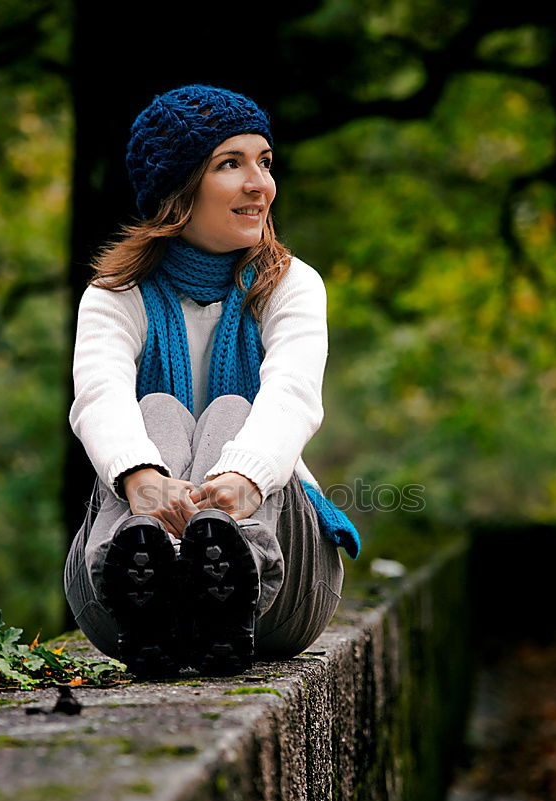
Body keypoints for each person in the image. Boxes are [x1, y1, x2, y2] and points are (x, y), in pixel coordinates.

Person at [63, 83, 360, 678]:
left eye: (265, 162)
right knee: (158, 413)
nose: (261, 184)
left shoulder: (292, 284)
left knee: (232, 409)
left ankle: (229, 578)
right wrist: (144, 482)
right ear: (181, 186)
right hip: (113, 609)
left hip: (280, 597)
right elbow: (99, 399)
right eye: (232, 164)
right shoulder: (114, 297)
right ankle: (149, 586)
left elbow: (291, 398)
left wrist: (244, 479)